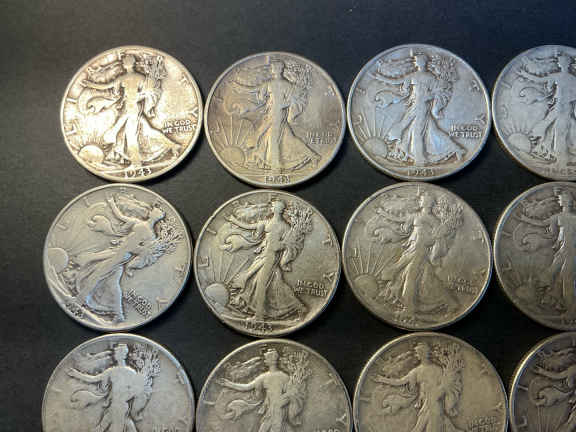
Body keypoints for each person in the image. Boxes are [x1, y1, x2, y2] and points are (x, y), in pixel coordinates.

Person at [72, 195, 166, 322]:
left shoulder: (149, 234)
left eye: (153, 212)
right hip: (119, 252)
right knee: (112, 283)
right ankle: (119, 314)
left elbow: (144, 252)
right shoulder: (143, 227)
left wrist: (129, 250)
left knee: (97, 274)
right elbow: (120, 217)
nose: (150, 212)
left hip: (120, 255)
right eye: (152, 210)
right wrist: (112, 204)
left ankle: (78, 301)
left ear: (154, 216)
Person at [81, 54, 180, 168]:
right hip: (131, 108)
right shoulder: (139, 77)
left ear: (126, 64)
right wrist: (91, 84)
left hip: (132, 109)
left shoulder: (124, 78)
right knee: (148, 130)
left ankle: (136, 162)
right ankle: (173, 145)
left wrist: (91, 85)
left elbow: (107, 87)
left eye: (124, 62)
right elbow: (147, 92)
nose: (124, 64)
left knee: (130, 135)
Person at [373, 53, 464, 165]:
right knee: (433, 131)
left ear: (422, 62)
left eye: (417, 61)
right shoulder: (415, 76)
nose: (415, 63)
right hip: (415, 106)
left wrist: (428, 97)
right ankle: (457, 149)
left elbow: (437, 91)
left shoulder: (430, 77)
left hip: (422, 107)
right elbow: (398, 81)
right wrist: (382, 78)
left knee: (416, 133)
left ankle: (420, 160)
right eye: (415, 61)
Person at [378, 192, 458, 315]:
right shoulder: (417, 215)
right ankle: (451, 303)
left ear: (427, 203)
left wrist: (430, 240)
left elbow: (438, 236)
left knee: (410, 276)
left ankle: (409, 308)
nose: (420, 201)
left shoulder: (433, 220)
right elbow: (400, 220)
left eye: (422, 200)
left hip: (420, 250)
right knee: (427, 278)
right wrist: (383, 213)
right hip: (412, 248)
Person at [225, 200, 305, 320]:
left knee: (261, 284)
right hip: (263, 256)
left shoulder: (285, 227)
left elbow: (289, 244)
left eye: (273, 207)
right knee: (272, 283)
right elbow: (249, 227)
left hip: (271, 257)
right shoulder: (267, 222)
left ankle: (259, 315)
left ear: (278, 209)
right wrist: (233, 220)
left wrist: (278, 246)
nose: (271, 208)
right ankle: (300, 308)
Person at [243, 60, 319, 171]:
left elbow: (293, 99)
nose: (272, 69)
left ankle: (276, 166)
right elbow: (256, 93)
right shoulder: (279, 84)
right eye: (273, 68)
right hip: (274, 113)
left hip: (278, 114)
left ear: (278, 69)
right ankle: (313, 156)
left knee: (272, 139)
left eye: (274, 67)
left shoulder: (279, 84)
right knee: (289, 138)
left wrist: (281, 104)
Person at [374, 343, 463, 432]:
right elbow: (399, 382)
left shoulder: (433, 370)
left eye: (417, 353)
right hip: (428, 405)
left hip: (434, 405)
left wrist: (382, 379)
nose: (416, 355)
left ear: (422, 354)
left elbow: (444, 388)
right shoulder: (420, 371)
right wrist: (382, 379)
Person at [516, 189, 576, 317]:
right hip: (562, 251)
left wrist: (525, 219)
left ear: (567, 201)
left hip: (571, 253)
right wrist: (526, 219)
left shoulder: (572, 218)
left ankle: (571, 310)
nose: (559, 200)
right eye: (559, 198)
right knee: (554, 276)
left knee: (566, 279)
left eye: (561, 198)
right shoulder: (558, 217)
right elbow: (544, 225)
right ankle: (559, 303)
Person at [67, 344, 147, 432]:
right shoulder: (112, 371)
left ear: (123, 354)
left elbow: (136, 391)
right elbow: (93, 379)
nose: (115, 354)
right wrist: (77, 374)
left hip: (120, 406)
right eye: (115, 352)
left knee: (113, 428)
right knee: (105, 427)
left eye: (117, 352)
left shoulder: (131, 373)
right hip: (114, 405)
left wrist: (125, 396)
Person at [219, 349, 303, 432]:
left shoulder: (283, 377)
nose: (265, 361)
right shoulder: (267, 377)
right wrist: (229, 384)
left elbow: (291, 394)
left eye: (266, 359)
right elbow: (246, 387)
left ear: (271, 361)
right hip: (269, 410)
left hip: (279, 410)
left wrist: (279, 403)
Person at [518, 53, 576, 161]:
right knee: (553, 126)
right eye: (560, 62)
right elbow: (539, 80)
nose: (561, 64)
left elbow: (539, 80)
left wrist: (525, 74)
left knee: (558, 128)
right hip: (561, 106)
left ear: (565, 64)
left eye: (562, 62)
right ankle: (547, 149)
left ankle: (559, 155)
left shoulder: (566, 78)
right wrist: (525, 74)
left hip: (563, 106)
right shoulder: (567, 77)